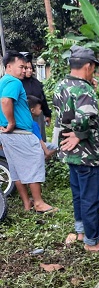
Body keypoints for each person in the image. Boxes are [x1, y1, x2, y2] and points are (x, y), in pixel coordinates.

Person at [52, 45, 99, 252]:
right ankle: (93, 242)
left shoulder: (61, 85)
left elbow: (64, 112)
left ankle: (81, 231)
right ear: (88, 66)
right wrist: (79, 134)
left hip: (71, 154)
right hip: (87, 154)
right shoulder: (84, 90)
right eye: (94, 67)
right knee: (91, 197)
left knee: (78, 194)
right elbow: (84, 117)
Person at [0, 50, 57, 213]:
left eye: (26, 67)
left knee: (16, 170)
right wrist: (11, 122)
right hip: (19, 133)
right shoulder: (14, 82)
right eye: (21, 67)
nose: (24, 71)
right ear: (9, 66)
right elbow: (5, 101)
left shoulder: (3, 81)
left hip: (9, 135)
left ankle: (27, 203)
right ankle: (38, 203)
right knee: (34, 160)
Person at [21, 55, 51, 142]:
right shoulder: (18, 83)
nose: (29, 70)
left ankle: (43, 152)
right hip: (24, 114)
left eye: (31, 68)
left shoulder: (36, 82)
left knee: (40, 134)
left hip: (38, 114)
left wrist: (47, 113)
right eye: (26, 68)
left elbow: (43, 98)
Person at [27, 95, 57, 159]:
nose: (41, 110)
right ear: (32, 110)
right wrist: (47, 152)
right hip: (35, 146)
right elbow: (40, 140)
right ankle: (42, 158)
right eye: (40, 108)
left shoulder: (23, 122)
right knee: (56, 147)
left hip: (27, 146)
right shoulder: (34, 124)